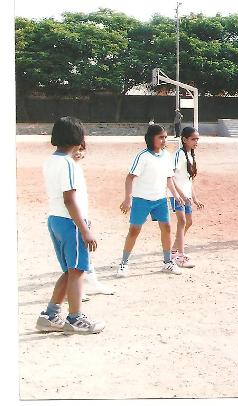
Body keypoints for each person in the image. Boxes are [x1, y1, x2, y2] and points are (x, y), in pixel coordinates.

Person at [35, 116, 105, 334]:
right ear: (77, 137)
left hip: (55, 219)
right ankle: (75, 318)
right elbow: (70, 199)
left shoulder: (53, 160)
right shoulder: (67, 164)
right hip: (71, 222)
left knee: (69, 271)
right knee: (78, 270)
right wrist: (85, 230)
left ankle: (50, 314)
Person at [117, 124, 186, 277]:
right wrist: (128, 198)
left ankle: (168, 262)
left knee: (167, 228)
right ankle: (124, 263)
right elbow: (130, 178)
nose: (163, 140)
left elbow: (169, 178)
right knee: (134, 230)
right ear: (151, 138)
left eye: (165, 137)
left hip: (160, 199)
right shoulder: (143, 156)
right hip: (141, 199)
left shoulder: (167, 156)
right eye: (160, 137)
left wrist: (176, 194)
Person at [70, 140, 115, 297]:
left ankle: (93, 283)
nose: (79, 153)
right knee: (76, 258)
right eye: (76, 149)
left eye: (82, 150)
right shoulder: (69, 168)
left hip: (82, 216)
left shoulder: (77, 168)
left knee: (85, 255)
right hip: (74, 220)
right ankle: (75, 291)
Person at [170, 127, 205, 268]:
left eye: (197, 139)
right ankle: (180, 256)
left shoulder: (190, 155)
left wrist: (194, 198)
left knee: (188, 222)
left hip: (187, 196)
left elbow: (189, 180)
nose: (196, 141)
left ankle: (173, 250)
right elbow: (170, 177)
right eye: (193, 139)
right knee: (182, 221)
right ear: (184, 139)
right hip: (177, 196)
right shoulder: (178, 155)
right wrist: (180, 195)